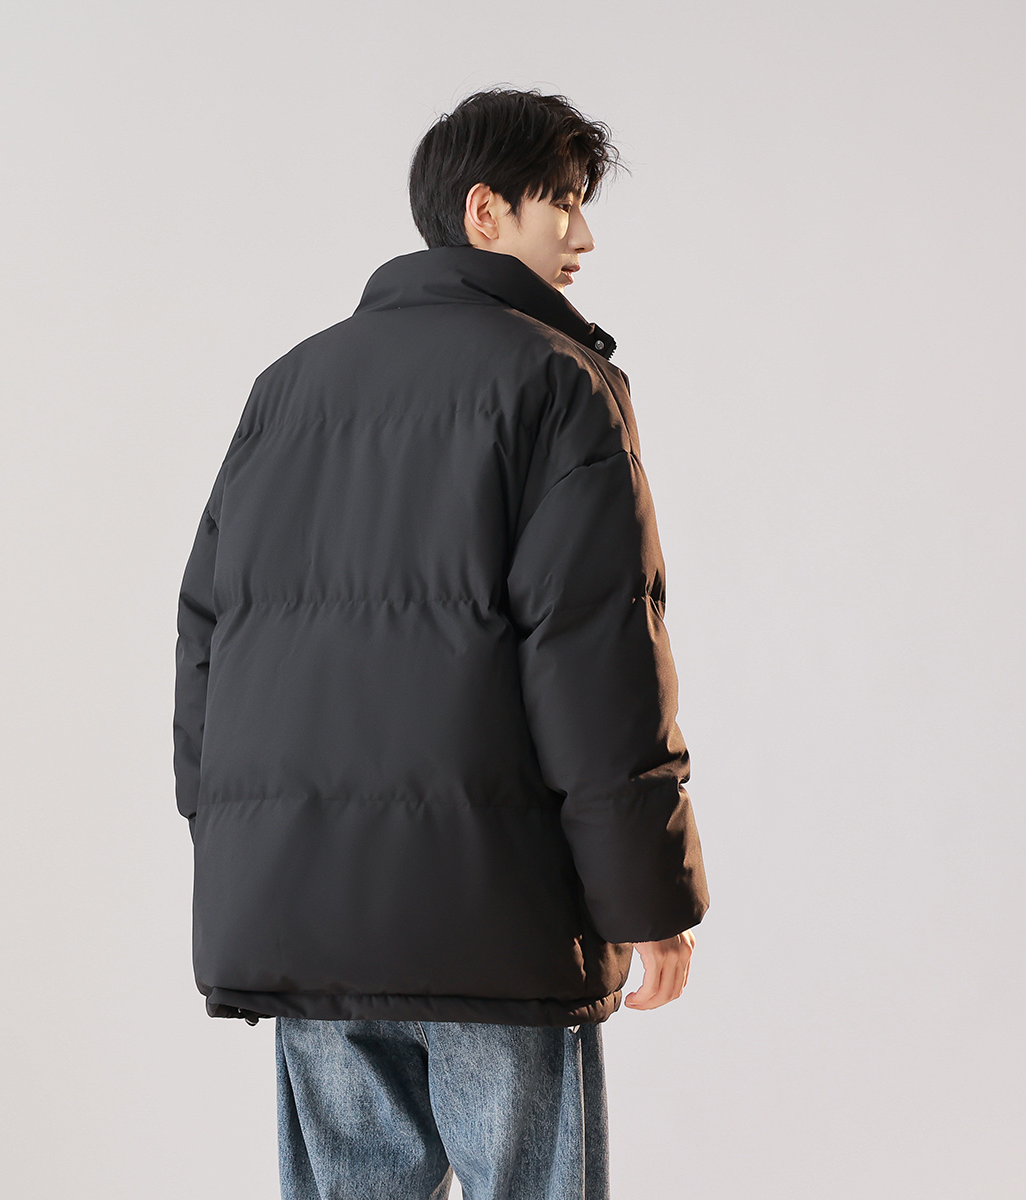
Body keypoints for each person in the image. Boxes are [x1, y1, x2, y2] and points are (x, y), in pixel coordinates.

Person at [173, 86, 710, 1200]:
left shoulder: (287, 388)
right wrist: (648, 902)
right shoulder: (557, 385)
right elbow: (596, 662)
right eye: (562, 202)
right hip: (494, 920)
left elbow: (207, 641)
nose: (583, 235)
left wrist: (236, 844)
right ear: (484, 211)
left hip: (304, 912)